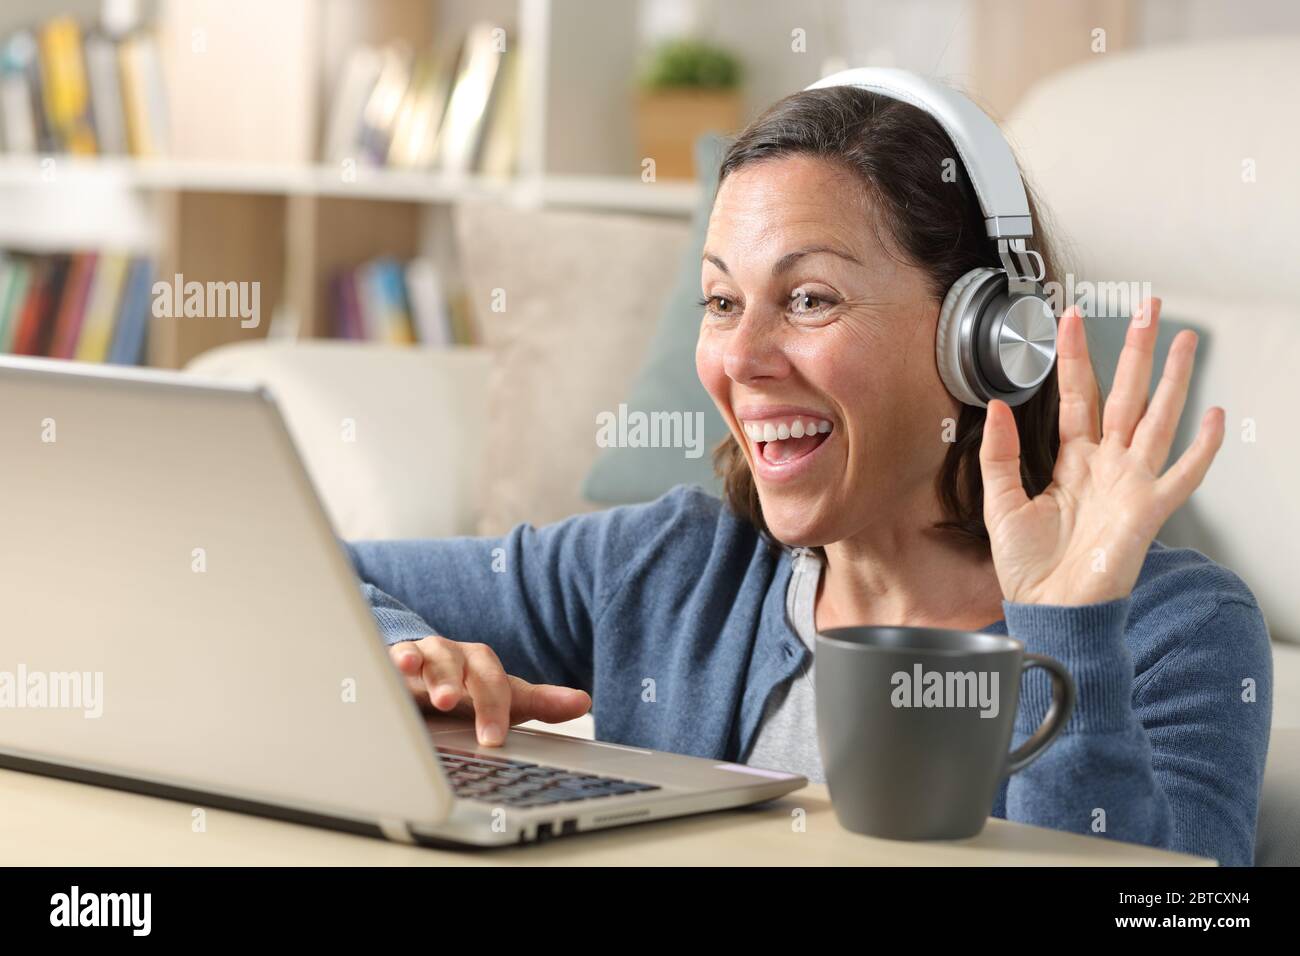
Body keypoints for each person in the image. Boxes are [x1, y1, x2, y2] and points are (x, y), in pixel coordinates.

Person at [347, 79, 1272, 865]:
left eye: (808, 299)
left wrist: (1068, 632)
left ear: (983, 340)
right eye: (721, 300)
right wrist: (409, 656)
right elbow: (313, 572)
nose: (741, 356)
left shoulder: (1179, 632)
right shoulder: (676, 564)